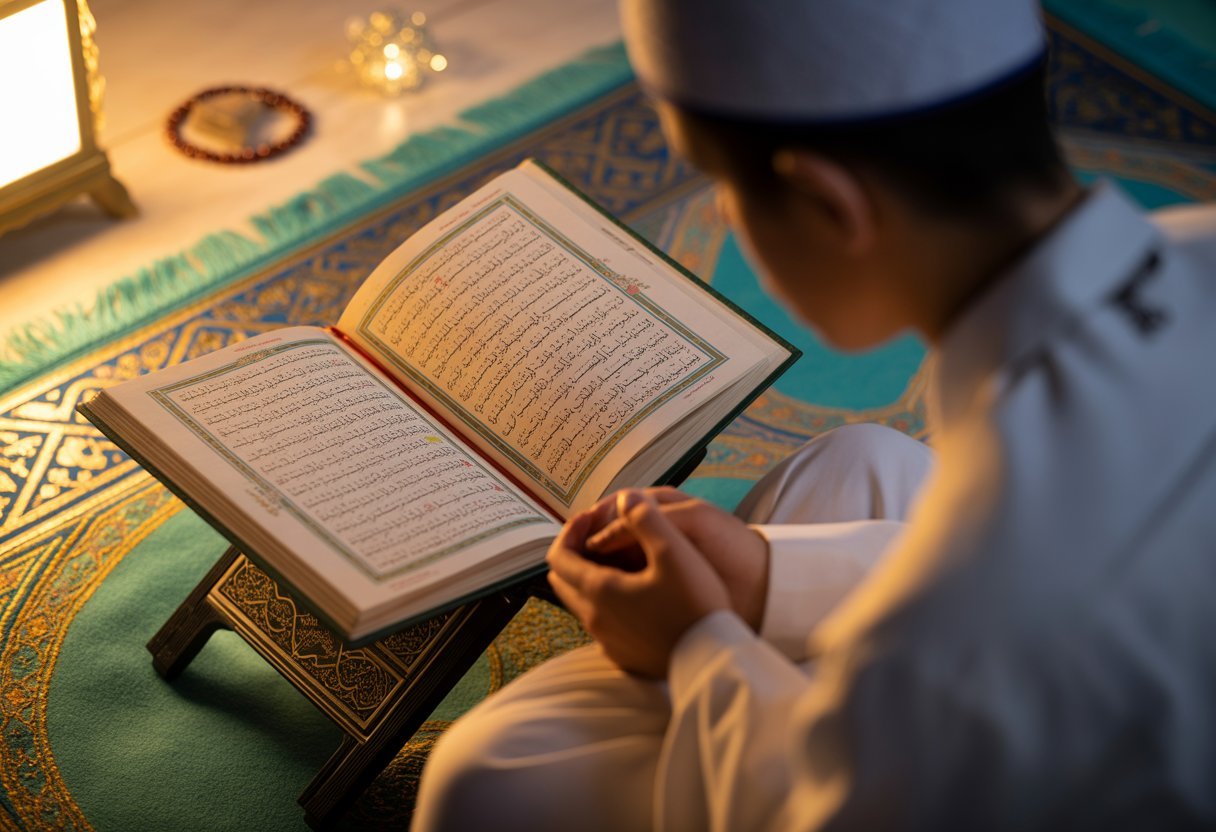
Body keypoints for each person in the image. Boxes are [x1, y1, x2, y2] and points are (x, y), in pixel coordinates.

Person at [412, 0, 1216, 828]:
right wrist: (768, 579)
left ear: (828, 204)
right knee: (861, 462)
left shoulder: (956, 637)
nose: (722, 215)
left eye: (722, 184)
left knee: (487, 777)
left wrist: (697, 644)